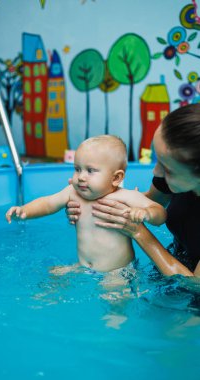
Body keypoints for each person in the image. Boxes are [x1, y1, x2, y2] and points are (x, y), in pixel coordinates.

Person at [66, 104, 200, 277]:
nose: (155, 172)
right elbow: (152, 202)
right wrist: (88, 206)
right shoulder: (172, 176)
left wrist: (138, 232)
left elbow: (194, 286)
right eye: (157, 160)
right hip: (178, 257)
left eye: (167, 169)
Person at [5, 135, 166, 274]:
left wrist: (147, 213)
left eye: (90, 171)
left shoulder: (125, 197)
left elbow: (160, 213)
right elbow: (48, 203)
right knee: (54, 273)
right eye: (77, 169)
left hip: (117, 272)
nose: (81, 177)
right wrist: (25, 210)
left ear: (116, 178)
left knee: (114, 297)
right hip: (83, 267)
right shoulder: (72, 193)